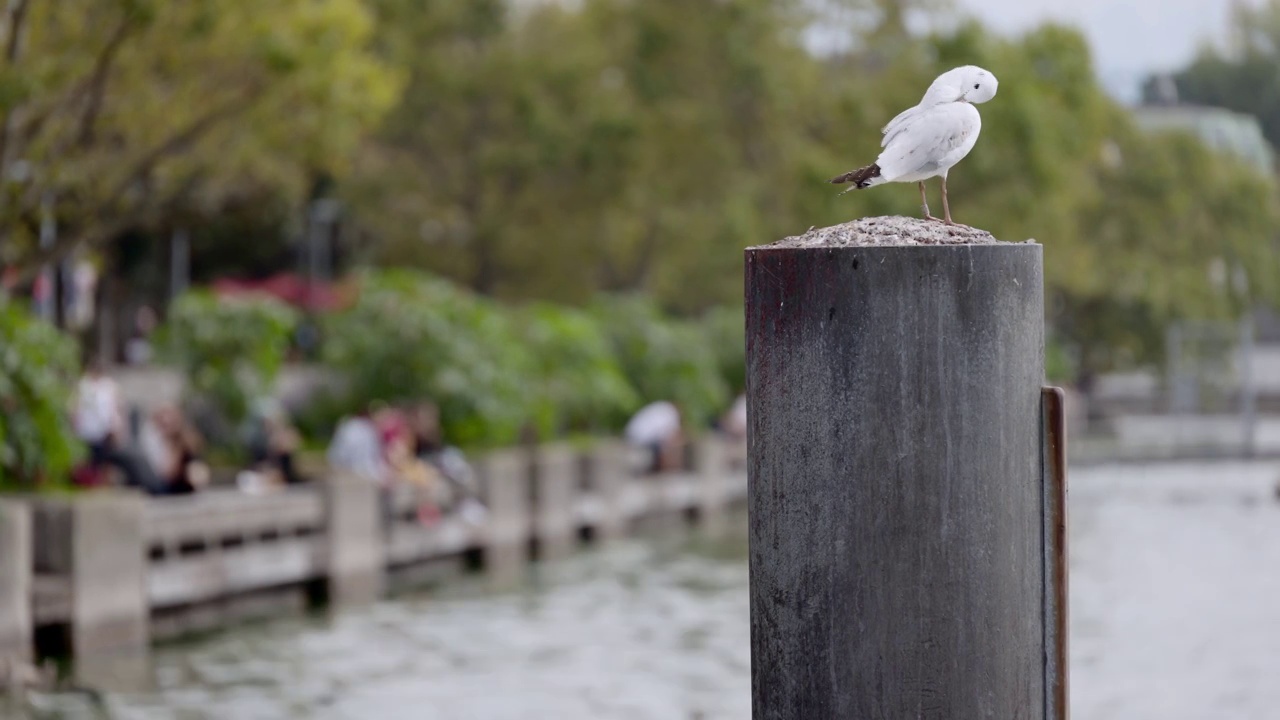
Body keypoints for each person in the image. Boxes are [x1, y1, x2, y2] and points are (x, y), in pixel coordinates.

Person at [410, 401, 487, 524]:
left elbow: (438, 449)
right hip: (425, 463)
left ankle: (467, 504)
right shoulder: (414, 433)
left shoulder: (434, 431)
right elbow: (416, 453)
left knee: (455, 464)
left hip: (437, 461)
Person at [327, 406, 387, 485]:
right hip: (363, 471)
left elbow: (336, 454)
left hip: (348, 470)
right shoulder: (368, 429)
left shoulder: (348, 427)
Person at [624, 400, 685, 474]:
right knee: (664, 446)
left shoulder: (662, 408)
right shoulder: (671, 413)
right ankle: (660, 470)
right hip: (642, 438)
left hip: (632, 435)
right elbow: (671, 436)